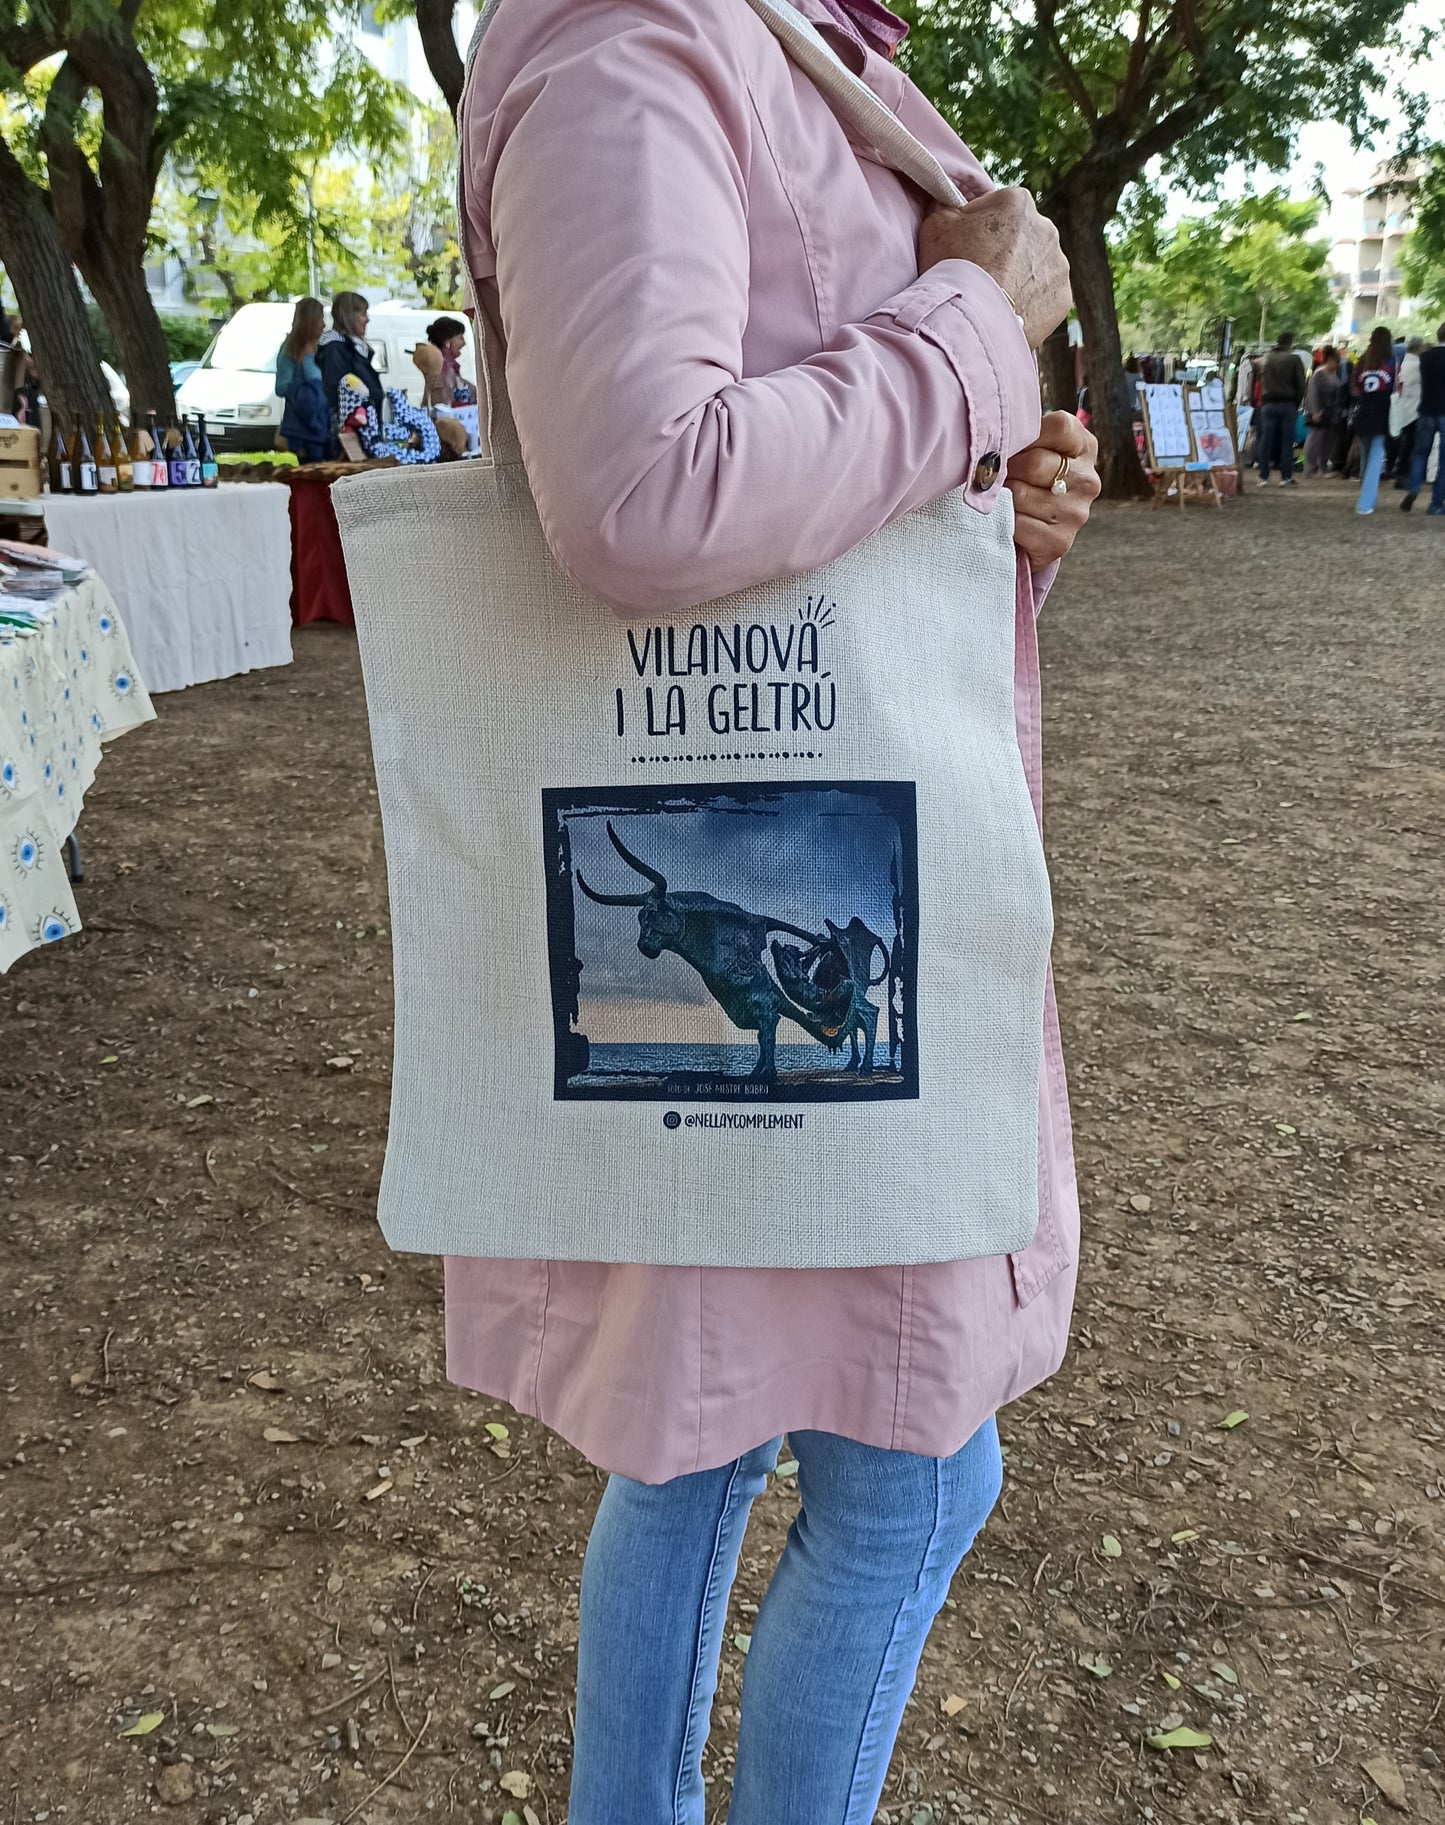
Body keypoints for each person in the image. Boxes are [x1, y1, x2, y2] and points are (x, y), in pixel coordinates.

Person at [448, 1, 1095, 1819]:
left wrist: (992, 480)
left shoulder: (769, 39)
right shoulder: (641, 37)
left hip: (799, 813)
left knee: (700, 1439)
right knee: (907, 1476)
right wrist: (973, 327)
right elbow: (644, 494)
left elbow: (790, 429)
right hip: (793, 824)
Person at [317, 292, 384, 455]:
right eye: (362, 314)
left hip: (363, 431)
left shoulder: (355, 349)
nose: (367, 319)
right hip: (348, 437)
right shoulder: (335, 349)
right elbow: (337, 394)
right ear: (349, 316)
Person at [274, 296, 330, 464]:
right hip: (305, 430)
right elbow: (281, 387)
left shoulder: (322, 347)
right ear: (310, 321)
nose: (324, 324)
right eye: (320, 319)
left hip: (326, 424)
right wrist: (307, 389)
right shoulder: (291, 350)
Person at [1400, 319, 1445, 515]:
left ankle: (1413, 488)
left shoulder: (1425, 357)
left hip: (1426, 410)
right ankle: (1435, 504)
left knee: (1420, 453)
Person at [1351, 325, 1395, 515]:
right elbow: (1396, 388)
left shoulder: (1362, 361)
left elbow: (1354, 389)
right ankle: (1365, 502)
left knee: (1366, 456)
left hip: (1364, 410)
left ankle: (1366, 494)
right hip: (1382, 412)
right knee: (1376, 459)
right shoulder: (1392, 361)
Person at [1256, 329, 1306, 485]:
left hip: (1268, 404)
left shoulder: (1265, 360)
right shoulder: (1294, 360)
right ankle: (1285, 477)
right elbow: (1300, 385)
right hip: (1287, 403)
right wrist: (1296, 403)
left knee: (1265, 441)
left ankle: (1263, 476)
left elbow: (1260, 382)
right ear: (1290, 343)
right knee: (1286, 441)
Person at [1389, 336, 1423, 494]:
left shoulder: (1405, 363)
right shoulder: (1416, 365)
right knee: (1410, 444)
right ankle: (1403, 474)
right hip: (1413, 409)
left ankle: (1399, 473)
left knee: (1405, 443)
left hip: (1405, 407)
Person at [1301, 345, 1340, 476]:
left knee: (1327, 441)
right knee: (1315, 439)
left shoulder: (1333, 373)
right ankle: (1310, 467)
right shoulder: (1319, 374)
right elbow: (1312, 393)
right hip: (1318, 411)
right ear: (1329, 360)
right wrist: (1315, 412)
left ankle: (1322, 466)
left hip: (1330, 411)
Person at [424, 314, 473, 407]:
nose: (464, 343)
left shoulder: (446, 366)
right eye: (460, 337)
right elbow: (445, 402)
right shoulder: (443, 368)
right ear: (447, 341)